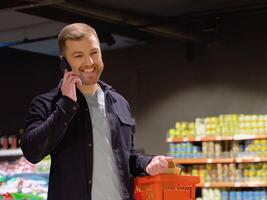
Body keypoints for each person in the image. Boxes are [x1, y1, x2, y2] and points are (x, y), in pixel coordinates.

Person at [20, 23, 171, 200]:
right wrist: (66, 106)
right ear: (64, 61)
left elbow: (126, 159)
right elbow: (32, 152)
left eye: (94, 53)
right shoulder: (47, 103)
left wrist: (147, 163)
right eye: (78, 56)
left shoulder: (118, 102)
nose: (90, 62)